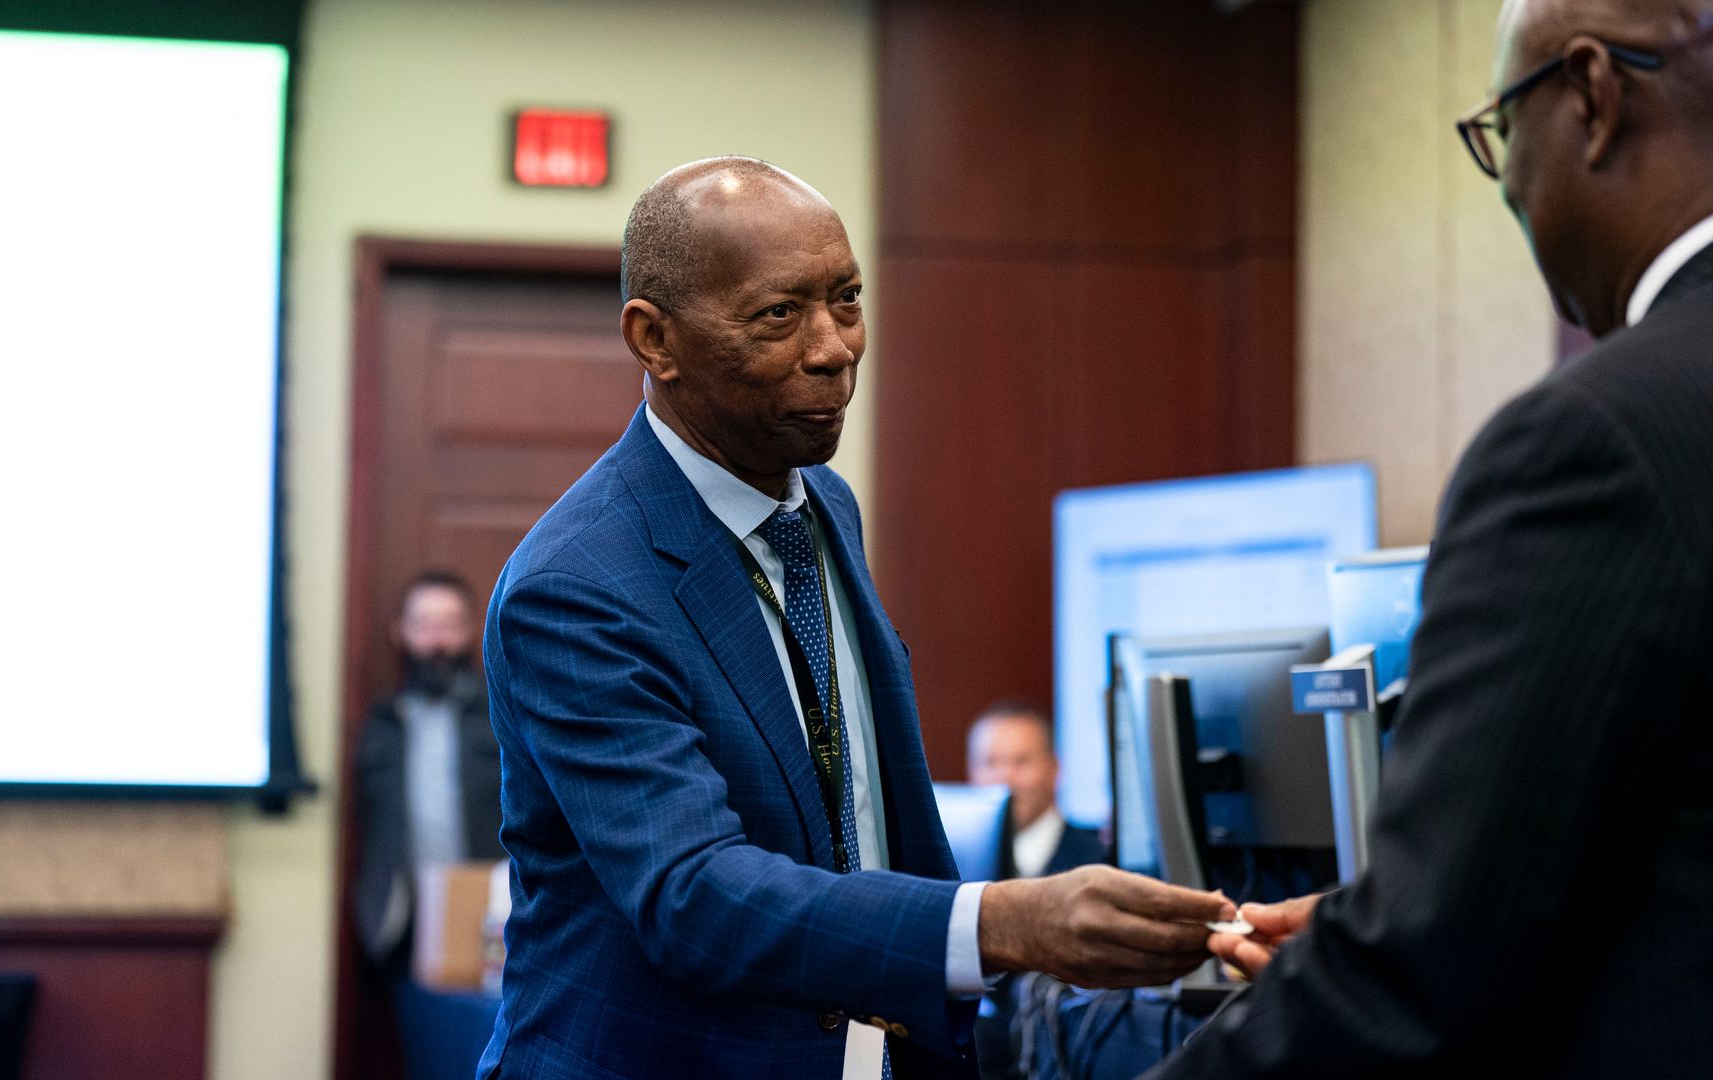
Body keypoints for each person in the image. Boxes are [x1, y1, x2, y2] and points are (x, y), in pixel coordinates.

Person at [1147, 1, 1713, 1076]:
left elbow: (1412, 995)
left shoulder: (1598, 442)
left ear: (1591, 97)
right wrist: (1389, 907)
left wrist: (1396, 929)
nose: (1511, 187)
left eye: (1501, 131)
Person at [476, 157, 1229, 1080]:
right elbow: (691, 895)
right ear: (653, 339)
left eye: (847, 300)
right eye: (780, 316)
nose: (834, 347)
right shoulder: (578, 584)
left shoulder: (822, 504)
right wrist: (1002, 923)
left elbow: (860, 806)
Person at [351, 570, 504, 973]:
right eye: (424, 626)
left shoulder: (500, 715)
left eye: (449, 626)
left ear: (471, 631)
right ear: (399, 632)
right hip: (398, 919)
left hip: (492, 914)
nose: (437, 642)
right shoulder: (381, 721)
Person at [966, 702, 1103, 879]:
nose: (1004, 777)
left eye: (1021, 761)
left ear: (1053, 769)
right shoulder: (953, 865)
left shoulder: (1101, 858)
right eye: (990, 762)